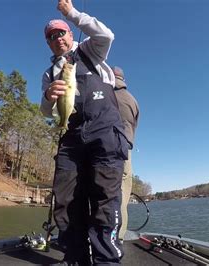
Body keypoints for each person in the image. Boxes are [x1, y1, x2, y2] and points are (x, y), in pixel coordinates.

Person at [40, 0, 130, 265]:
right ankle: (75, 257)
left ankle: (105, 261)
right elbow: (46, 111)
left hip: (104, 130)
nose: (57, 38)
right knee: (66, 198)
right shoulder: (49, 73)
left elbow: (106, 34)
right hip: (71, 135)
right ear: (48, 43)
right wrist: (48, 96)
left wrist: (72, 14)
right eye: (51, 36)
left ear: (70, 34)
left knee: (104, 198)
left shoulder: (92, 49)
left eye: (61, 32)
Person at [111, 66, 139, 242]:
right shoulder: (133, 101)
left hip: (101, 150)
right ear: (123, 79)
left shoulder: (102, 96)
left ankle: (102, 236)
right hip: (125, 151)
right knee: (122, 195)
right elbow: (134, 126)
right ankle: (119, 237)